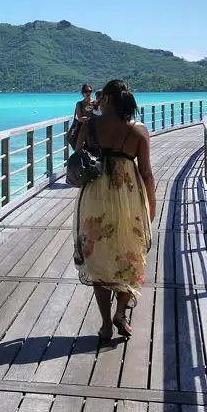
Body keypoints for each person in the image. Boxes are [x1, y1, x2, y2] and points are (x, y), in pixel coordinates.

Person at [72, 79, 156, 341]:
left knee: (98, 257)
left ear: (105, 98)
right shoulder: (139, 130)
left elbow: (77, 152)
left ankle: (106, 324)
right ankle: (121, 312)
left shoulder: (91, 125)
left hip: (95, 195)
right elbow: (147, 173)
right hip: (128, 197)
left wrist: (94, 116)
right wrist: (151, 206)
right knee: (128, 253)